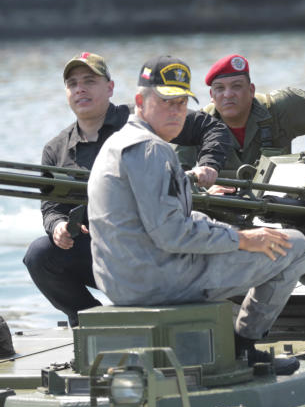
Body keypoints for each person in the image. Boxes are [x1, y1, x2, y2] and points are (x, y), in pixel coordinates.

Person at [87, 56, 305, 374]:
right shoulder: (152, 150)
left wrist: (227, 234)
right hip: (159, 281)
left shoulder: (118, 143)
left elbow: (171, 222)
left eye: (181, 102)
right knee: (295, 246)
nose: (177, 111)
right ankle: (244, 347)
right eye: (166, 102)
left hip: (123, 280)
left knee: (242, 240)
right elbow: (173, 234)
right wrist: (243, 239)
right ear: (140, 101)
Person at [23, 52, 232, 328]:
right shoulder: (56, 149)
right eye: (72, 83)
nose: (80, 89)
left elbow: (212, 127)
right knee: (40, 255)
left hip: (155, 245)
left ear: (110, 88)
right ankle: (92, 323)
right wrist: (58, 225)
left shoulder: (141, 120)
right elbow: (50, 206)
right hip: (104, 252)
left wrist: (208, 164)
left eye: (89, 81)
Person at [177, 54, 305, 180]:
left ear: (251, 90)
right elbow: (172, 174)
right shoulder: (197, 125)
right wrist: (203, 184)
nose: (228, 95)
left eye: (236, 86)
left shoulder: (279, 108)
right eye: (220, 89)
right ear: (212, 95)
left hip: (276, 204)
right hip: (222, 208)